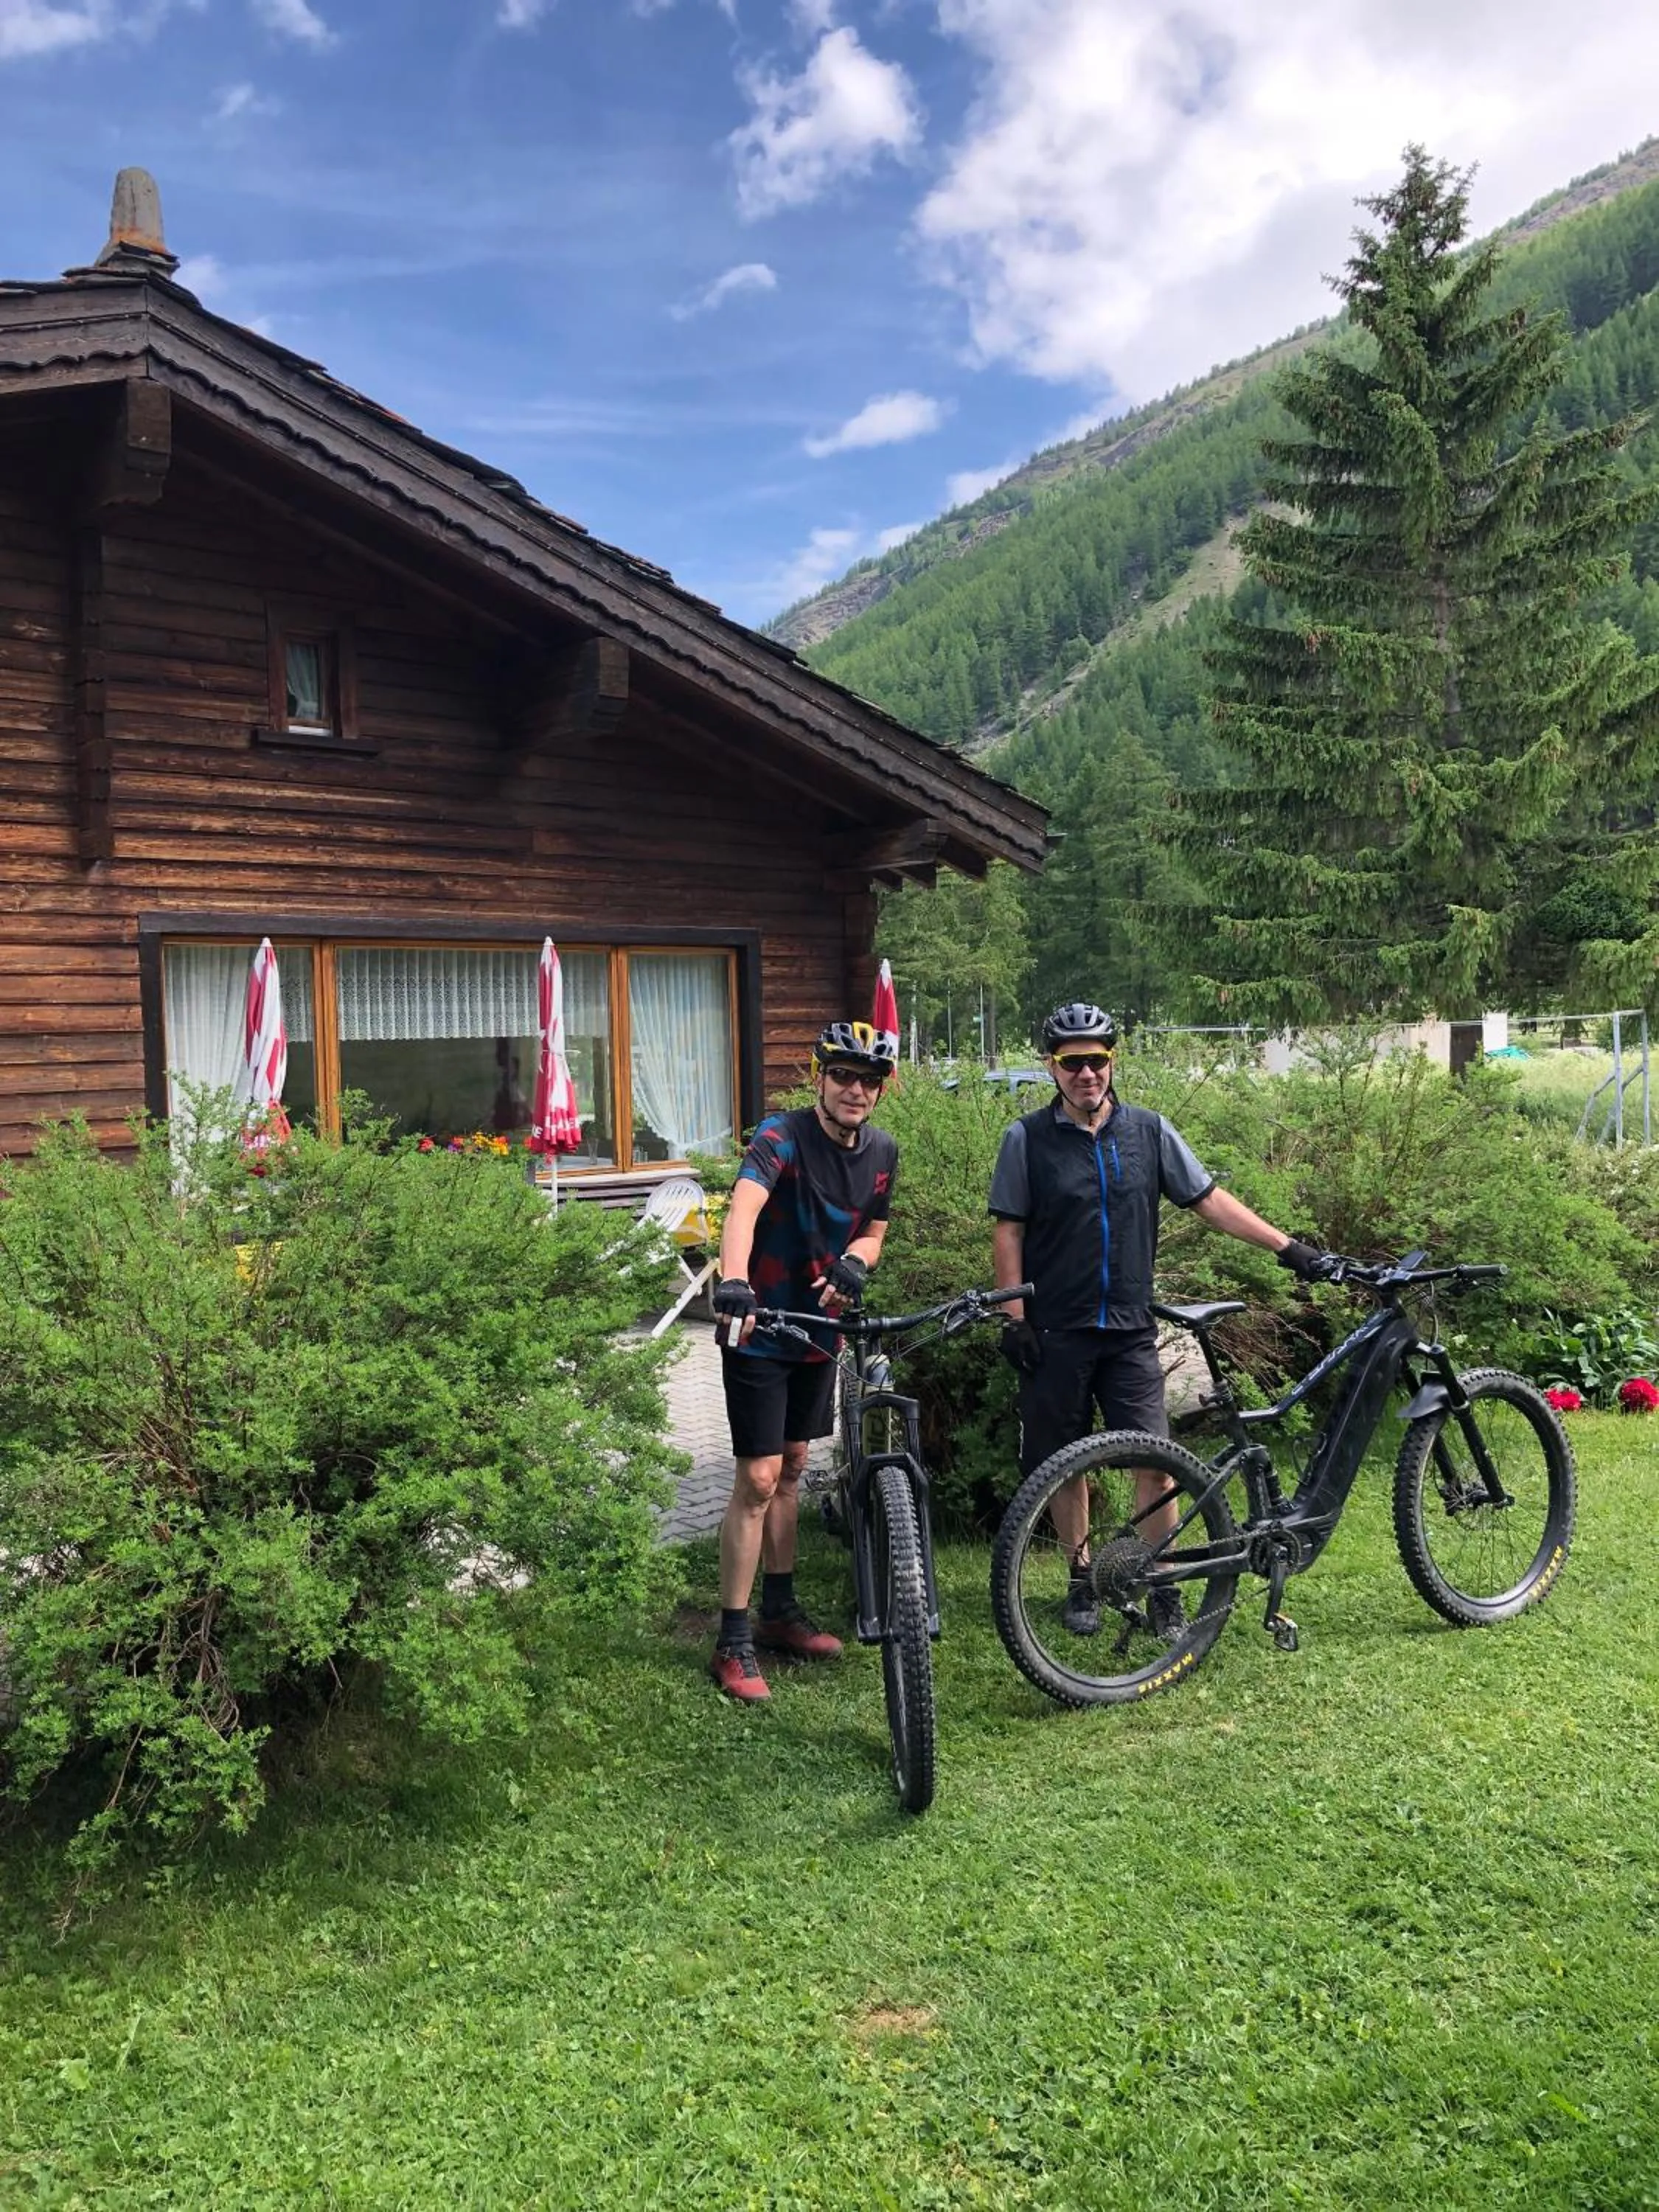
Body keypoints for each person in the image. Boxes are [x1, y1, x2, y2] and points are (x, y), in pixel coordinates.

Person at [989, 1001, 1332, 1638]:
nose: (1087, 1073)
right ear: (1052, 1069)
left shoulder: (1149, 1131)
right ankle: (1082, 1578)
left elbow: (1210, 1201)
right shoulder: (1026, 1140)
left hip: (1128, 1329)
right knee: (1064, 1463)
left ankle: (1163, 1588)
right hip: (1056, 1330)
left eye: (1097, 1060)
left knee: (1158, 1463)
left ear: (1112, 1062)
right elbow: (1009, 1230)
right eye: (1073, 1063)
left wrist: (1288, 1248)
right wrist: (1014, 1318)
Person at [706, 1020, 900, 1702]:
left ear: (881, 1090)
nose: (855, 1089)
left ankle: (780, 1612)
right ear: (820, 1077)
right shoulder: (780, 1138)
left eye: (869, 1080)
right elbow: (743, 1208)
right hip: (758, 1325)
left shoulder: (882, 1151)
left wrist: (855, 1262)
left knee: (791, 1469)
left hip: (820, 1331)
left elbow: (874, 1229)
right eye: (843, 1075)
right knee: (757, 1479)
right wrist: (734, 1281)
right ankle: (732, 1639)